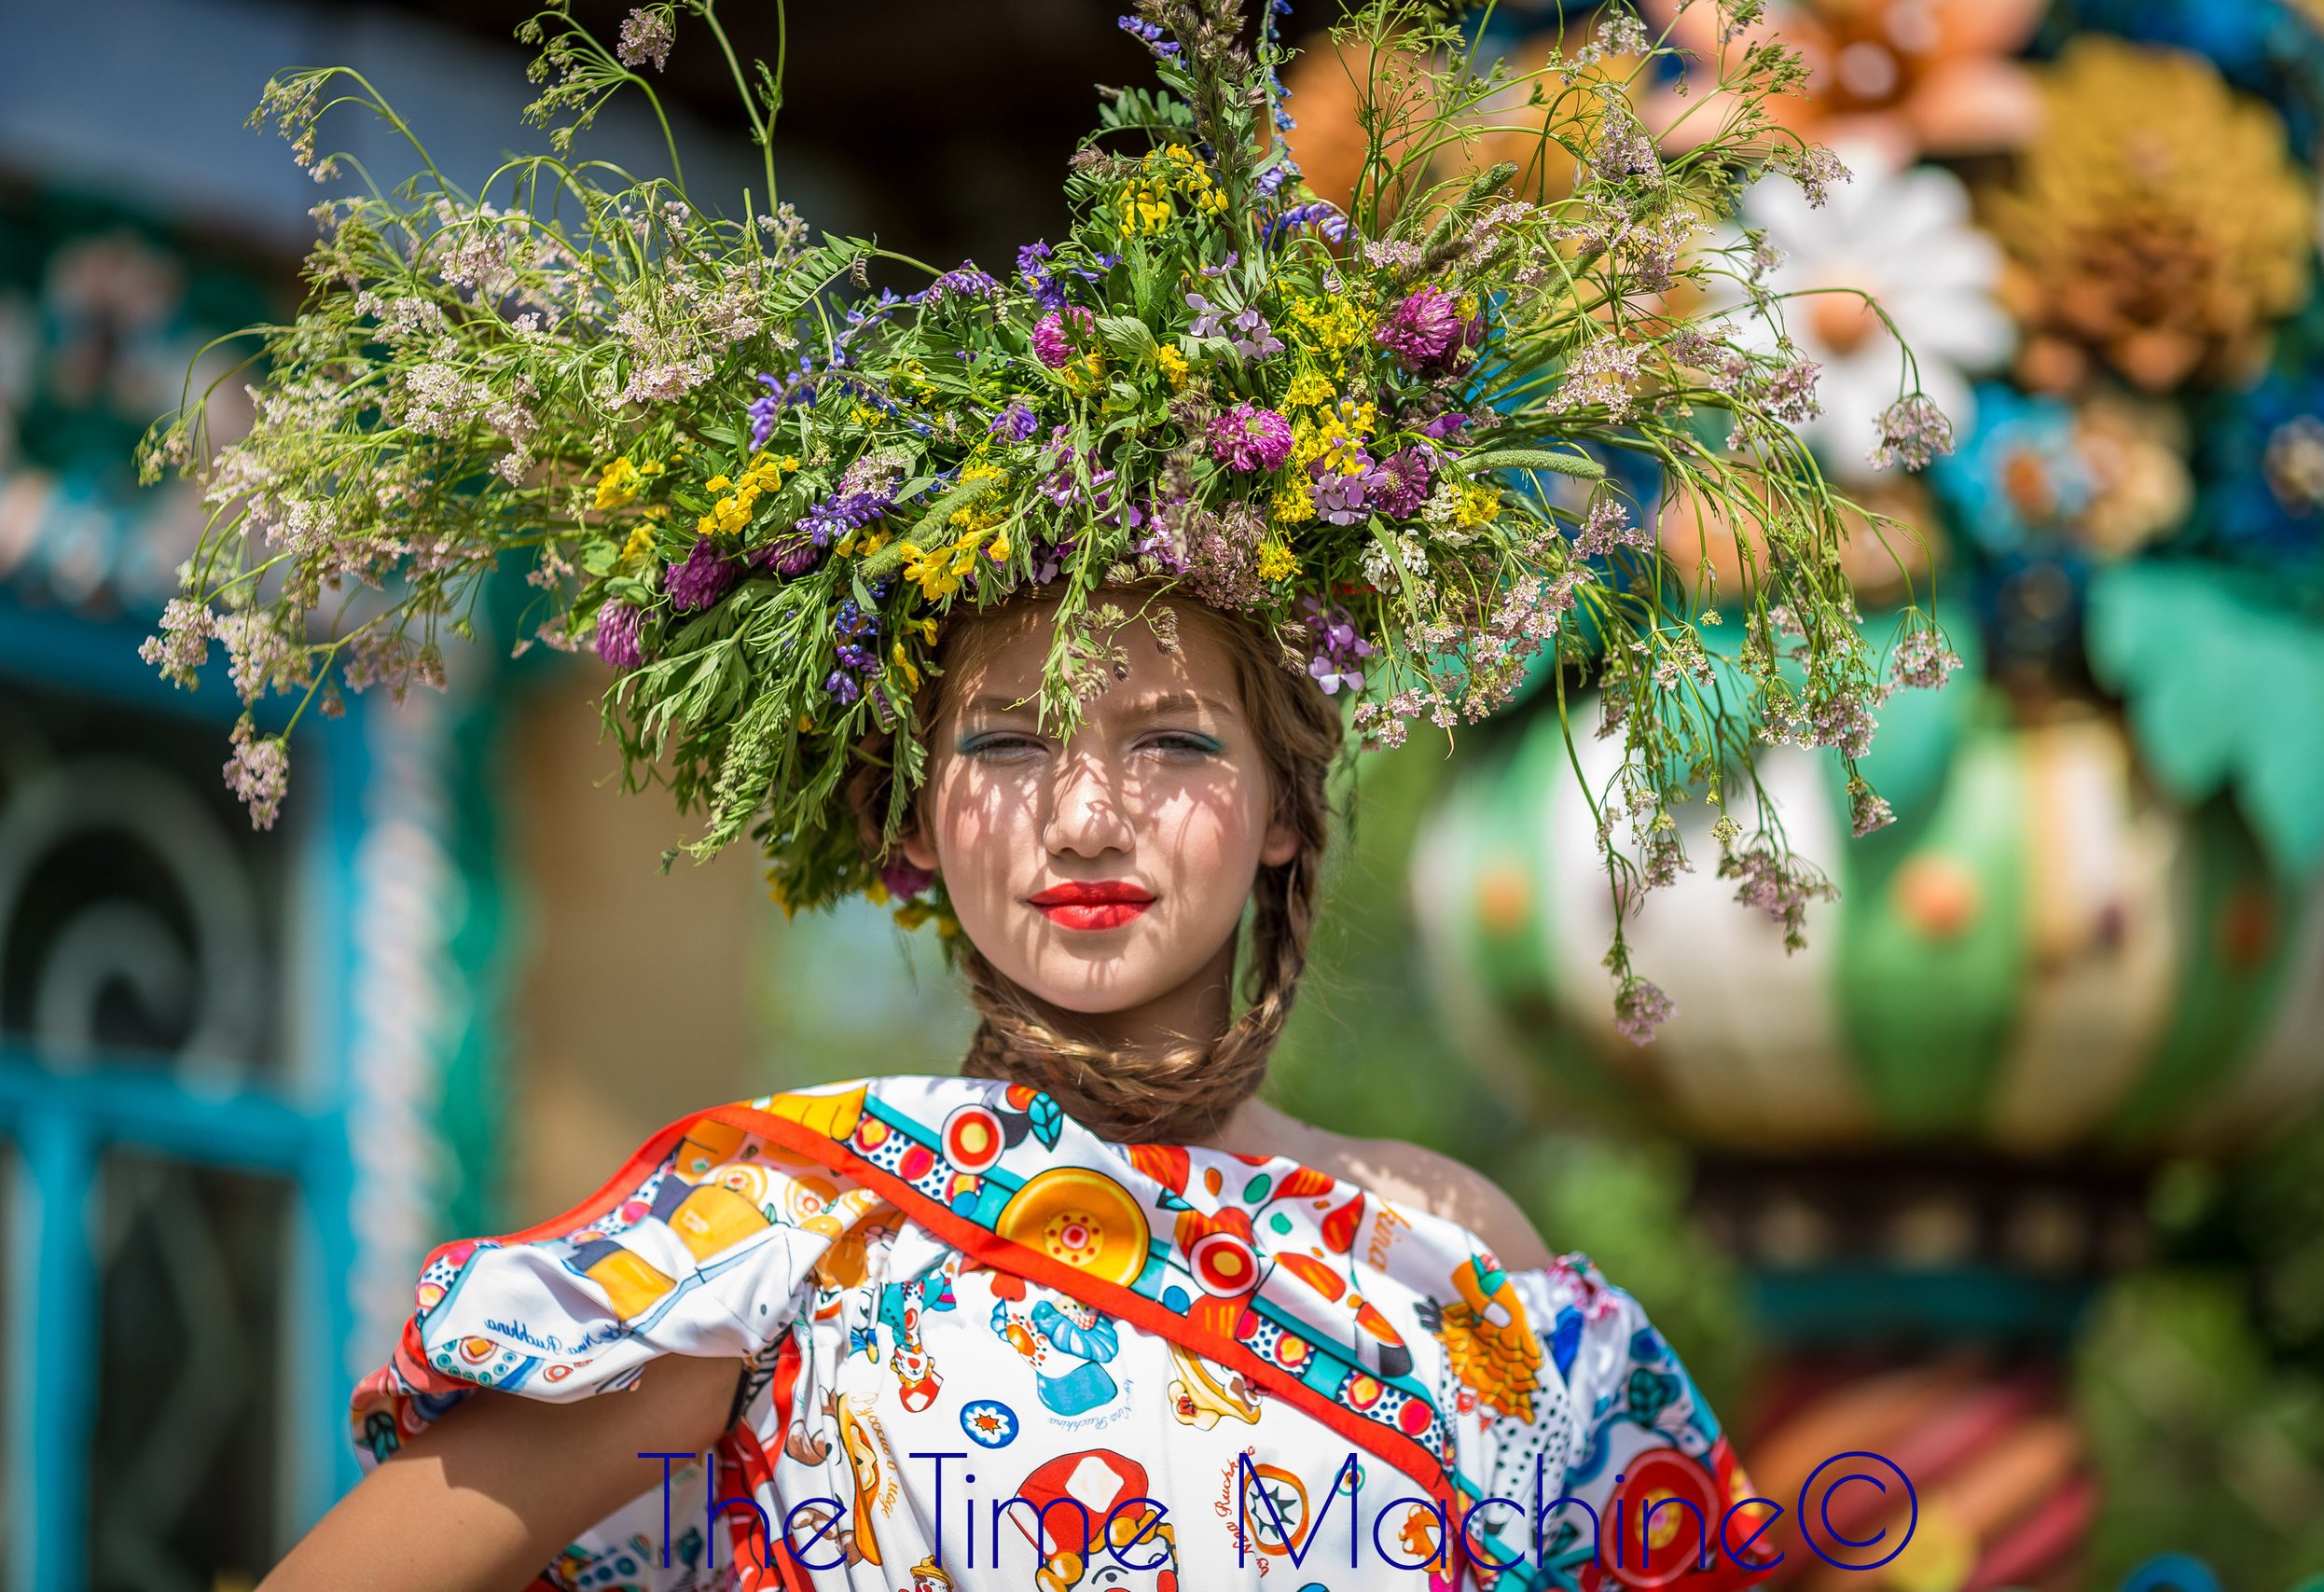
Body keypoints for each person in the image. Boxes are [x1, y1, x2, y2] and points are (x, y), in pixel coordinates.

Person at [260, 590, 1767, 1592]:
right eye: (1001, 742)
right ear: (913, 821)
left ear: (1286, 815)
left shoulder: (1444, 1252)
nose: (1087, 813)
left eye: (1173, 740)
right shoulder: (775, 1231)